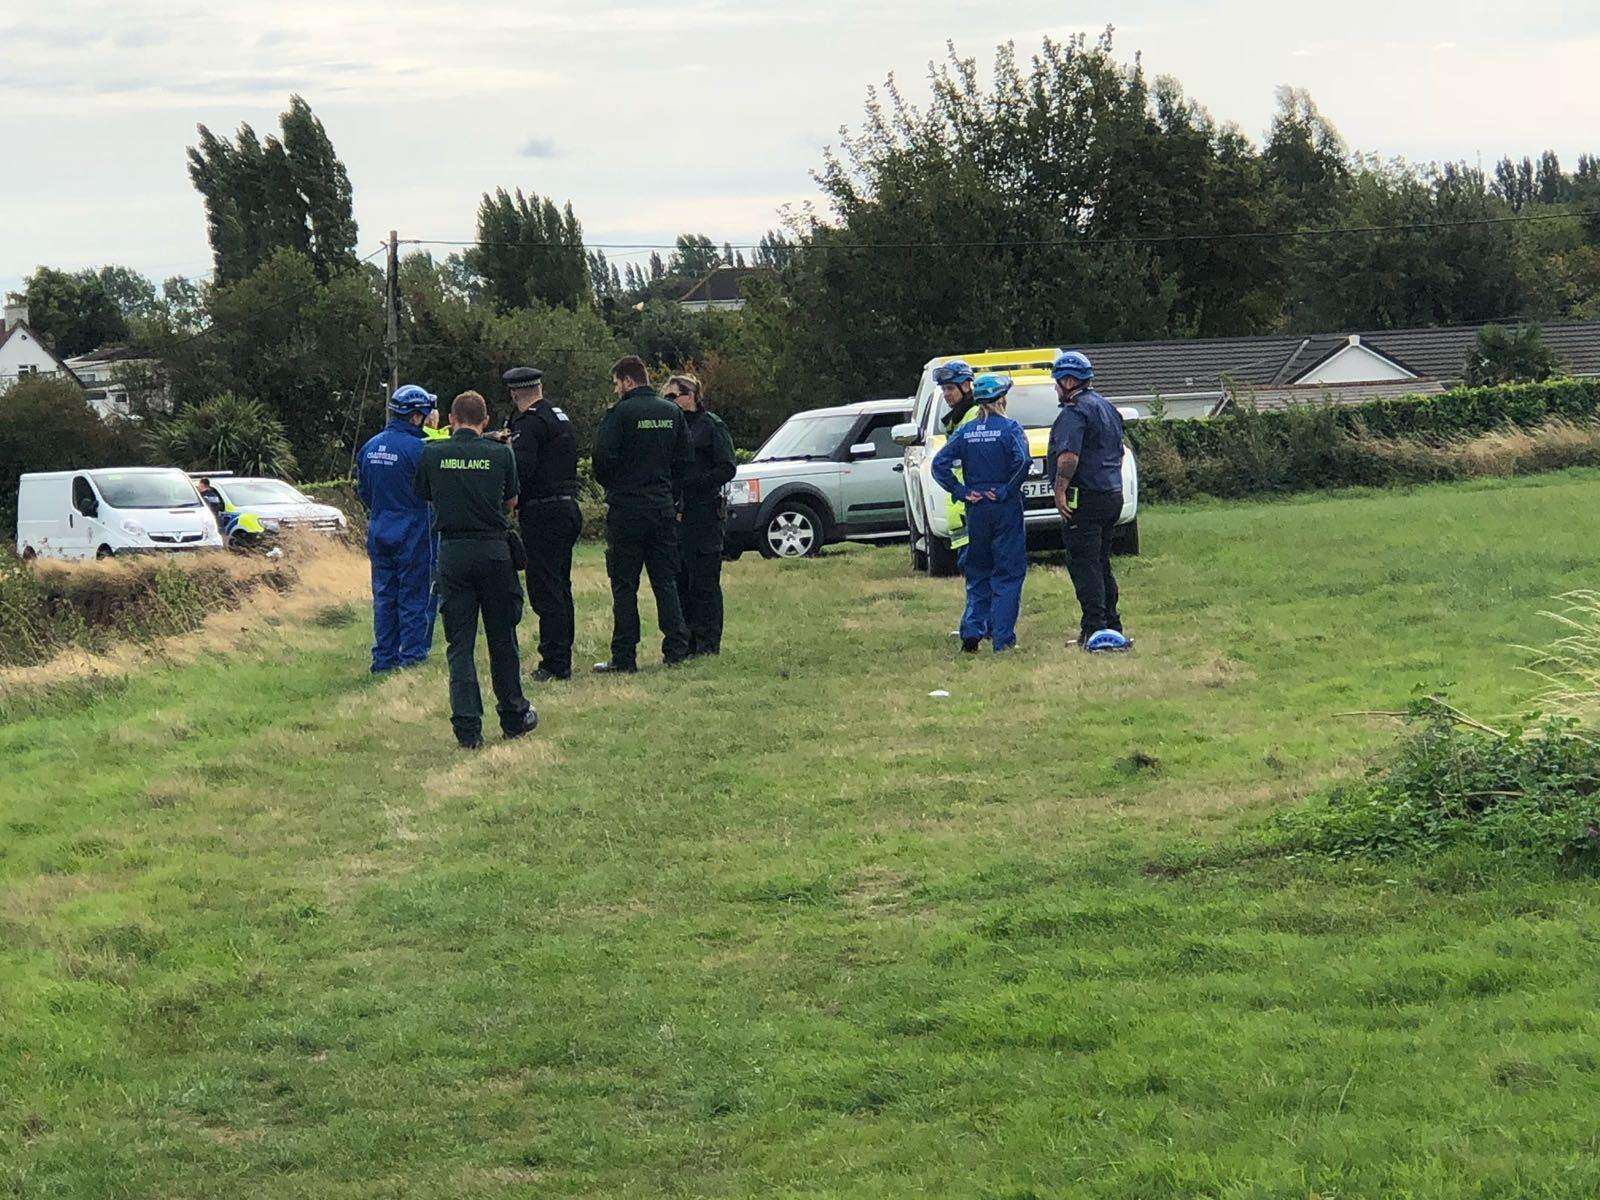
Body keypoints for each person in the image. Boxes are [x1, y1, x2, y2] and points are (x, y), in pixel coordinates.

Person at [413, 390, 538, 748]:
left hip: (453, 552)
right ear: (484, 421)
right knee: (503, 638)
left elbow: (424, 493)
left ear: (451, 419)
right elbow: (512, 499)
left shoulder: (432, 453)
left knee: (460, 644)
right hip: (494, 552)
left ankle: (468, 728)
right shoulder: (500, 453)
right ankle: (514, 715)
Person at [591, 355, 691, 673]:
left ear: (629, 381)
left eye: (617, 383)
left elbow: (601, 461)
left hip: (627, 511)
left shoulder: (619, 414)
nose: (616, 389)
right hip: (661, 508)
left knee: (624, 585)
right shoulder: (671, 411)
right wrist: (667, 490)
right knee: (665, 581)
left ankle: (624, 657)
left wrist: (620, 485)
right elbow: (684, 461)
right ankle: (676, 649)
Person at [931, 373, 1030, 653]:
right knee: (1008, 574)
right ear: (1001, 399)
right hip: (1004, 508)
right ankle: (1002, 640)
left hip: (976, 509)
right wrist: (1005, 490)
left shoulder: (966, 431)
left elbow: (939, 464)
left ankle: (972, 633)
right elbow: (1023, 461)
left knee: (978, 572)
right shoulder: (1010, 428)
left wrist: (961, 491)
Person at [501, 365, 581, 682]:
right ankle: (561, 655)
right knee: (561, 586)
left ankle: (554, 662)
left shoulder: (528, 423)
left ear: (515, 392)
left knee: (546, 588)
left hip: (543, 512)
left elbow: (521, 469)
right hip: (567, 508)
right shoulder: (558, 416)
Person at [1048, 351, 1132, 652]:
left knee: (1084, 565)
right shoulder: (1107, 408)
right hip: (1112, 494)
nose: (1056, 389)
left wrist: (1060, 490)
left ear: (1070, 381)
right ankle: (1112, 624)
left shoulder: (1074, 412)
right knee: (1101, 561)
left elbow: (1068, 456)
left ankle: (1095, 629)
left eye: (1058, 382)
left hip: (1086, 498)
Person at [357, 384, 437, 672]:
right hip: (414, 531)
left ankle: (383, 658)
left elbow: (363, 492)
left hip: (379, 528)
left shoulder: (370, 446)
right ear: (415, 417)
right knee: (415, 595)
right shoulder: (419, 450)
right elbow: (433, 493)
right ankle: (412, 657)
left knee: (384, 596)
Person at [665, 373, 737, 656]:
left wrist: (694, 484)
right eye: (666, 397)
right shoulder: (671, 426)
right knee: (680, 579)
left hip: (705, 512)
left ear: (691, 395)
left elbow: (727, 467)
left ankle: (708, 644)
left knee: (704, 581)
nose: (670, 402)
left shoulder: (711, 426)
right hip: (676, 513)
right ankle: (688, 642)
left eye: (674, 396)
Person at [932, 360, 979, 559]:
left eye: (950, 388)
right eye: (943, 389)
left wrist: (962, 492)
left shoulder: (974, 416)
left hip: (973, 507)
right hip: (962, 509)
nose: (946, 394)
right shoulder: (958, 418)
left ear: (966, 385)